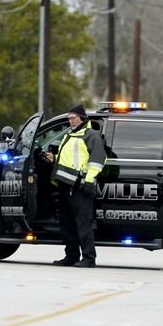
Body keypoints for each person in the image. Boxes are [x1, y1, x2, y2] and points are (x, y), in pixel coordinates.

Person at [46, 104, 106, 268]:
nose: (70, 121)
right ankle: (71, 256)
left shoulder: (90, 136)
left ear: (82, 118)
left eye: (73, 118)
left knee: (83, 224)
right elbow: (71, 159)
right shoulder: (69, 135)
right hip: (65, 185)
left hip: (80, 187)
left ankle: (89, 258)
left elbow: (98, 160)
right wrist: (55, 157)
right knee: (67, 224)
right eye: (69, 119)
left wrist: (88, 180)